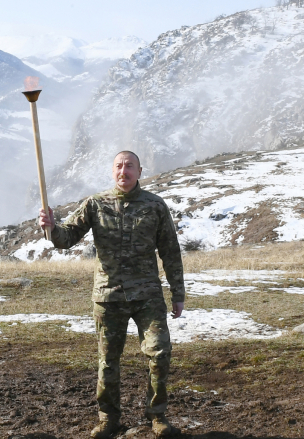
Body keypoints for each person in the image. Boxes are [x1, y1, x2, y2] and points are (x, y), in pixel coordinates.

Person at [38, 151, 185, 439]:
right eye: (119, 166)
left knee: (160, 353)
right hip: (108, 296)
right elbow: (66, 238)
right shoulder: (95, 204)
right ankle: (109, 419)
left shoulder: (155, 206)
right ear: (112, 171)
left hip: (148, 296)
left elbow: (170, 251)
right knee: (109, 360)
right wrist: (51, 227)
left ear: (140, 171)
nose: (123, 171)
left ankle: (157, 416)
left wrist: (177, 293)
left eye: (130, 166)